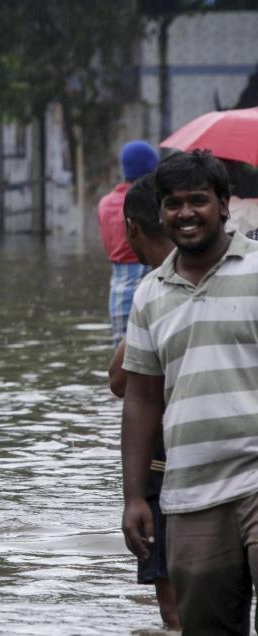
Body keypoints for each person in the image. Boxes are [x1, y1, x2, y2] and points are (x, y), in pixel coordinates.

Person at [121, 150, 258, 632]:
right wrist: (135, 497)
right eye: (173, 203)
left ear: (224, 205)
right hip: (191, 494)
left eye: (197, 200)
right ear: (159, 213)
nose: (185, 213)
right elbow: (140, 399)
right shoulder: (150, 293)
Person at [106, 175, 179, 630]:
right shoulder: (158, 287)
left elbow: (118, 380)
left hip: (165, 462)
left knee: (173, 603)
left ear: (132, 228)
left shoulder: (157, 287)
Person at [97, 140, 159, 346]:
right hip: (147, 277)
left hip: (118, 285)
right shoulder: (149, 200)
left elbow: (108, 244)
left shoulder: (105, 203)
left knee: (123, 350)